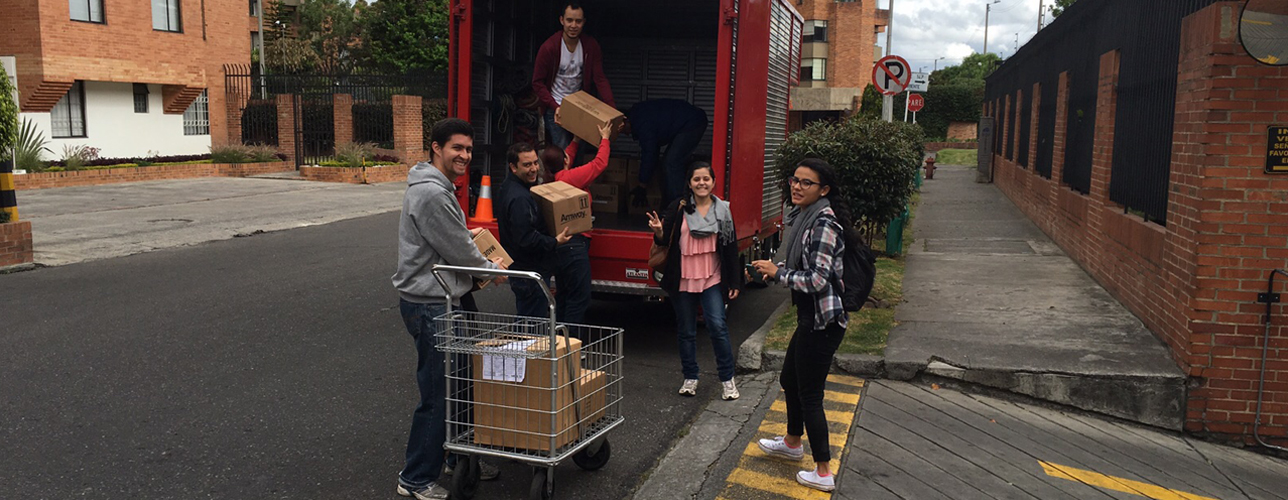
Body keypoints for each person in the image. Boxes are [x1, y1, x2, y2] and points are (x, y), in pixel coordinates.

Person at [392, 118, 508, 500]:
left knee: (457, 387)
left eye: (469, 149)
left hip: (442, 300)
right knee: (439, 393)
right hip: (430, 304)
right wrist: (494, 270)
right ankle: (415, 478)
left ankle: (458, 459)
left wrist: (467, 239)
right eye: (457, 148)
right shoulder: (432, 194)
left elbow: (449, 240)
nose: (465, 155)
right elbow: (460, 254)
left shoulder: (439, 189)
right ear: (436, 148)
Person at [750, 158, 858, 493]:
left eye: (805, 182)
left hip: (823, 321)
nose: (796, 186)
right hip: (811, 318)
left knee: (810, 393)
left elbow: (817, 279)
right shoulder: (806, 218)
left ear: (823, 190)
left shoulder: (824, 223)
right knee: (789, 379)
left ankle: (823, 470)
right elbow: (804, 262)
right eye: (794, 180)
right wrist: (774, 267)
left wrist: (779, 274)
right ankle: (793, 441)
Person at [647, 161, 743, 401]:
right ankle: (690, 377)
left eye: (706, 179)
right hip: (683, 278)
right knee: (687, 330)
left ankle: (727, 379)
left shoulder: (723, 210)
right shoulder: (678, 208)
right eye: (697, 179)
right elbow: (663, 242)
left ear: (713, 182)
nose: (702, 183)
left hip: (712, 276)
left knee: (718, 327)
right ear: (689, 183)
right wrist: (658, 230)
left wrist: (735, 282)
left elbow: (730, 248)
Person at [539, 122, 613, 325]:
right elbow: (599, 164)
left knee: (563, 294)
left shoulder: (554, 177)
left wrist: (576, 141)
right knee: (579, 298)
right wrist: (605, 138)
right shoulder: (570, 179)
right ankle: (571, 345)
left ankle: (560, 343)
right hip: (575, 245)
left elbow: (563, 159)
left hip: (561, 245)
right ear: (564, 161)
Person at [497, 142, 572, 317]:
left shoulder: (512, 188)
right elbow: (526, 239)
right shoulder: (520, 198)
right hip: (529, 272)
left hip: (524, 270)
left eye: (535, 163)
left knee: (527, 323)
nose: (534, 169)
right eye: (527, 164)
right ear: (513, 167)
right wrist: (555, 241)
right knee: (531, 328)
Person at [532, 2, 615, 149]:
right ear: (561, 20)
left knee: (578, 151)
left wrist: (612, 109)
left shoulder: (590, 45)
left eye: (578, 21)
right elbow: (537, 82)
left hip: (580, 106)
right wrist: (553, 105)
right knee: (563, 151)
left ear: (584, 22)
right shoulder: (549, 47)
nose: (573, 25)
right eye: (569, 20)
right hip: (556, 106)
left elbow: (599, 78)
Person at [624, 99, 708, 208]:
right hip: (688, 121)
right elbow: (653, 151)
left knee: (671, 163)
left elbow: (650, 153)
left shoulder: (642, 123)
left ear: (625, 120)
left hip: (692, 122)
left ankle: (680, 207)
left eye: (622, 130)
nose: (625, 134)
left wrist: (642, 185)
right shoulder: (638, 116)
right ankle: (672, 203)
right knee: (668, 162)